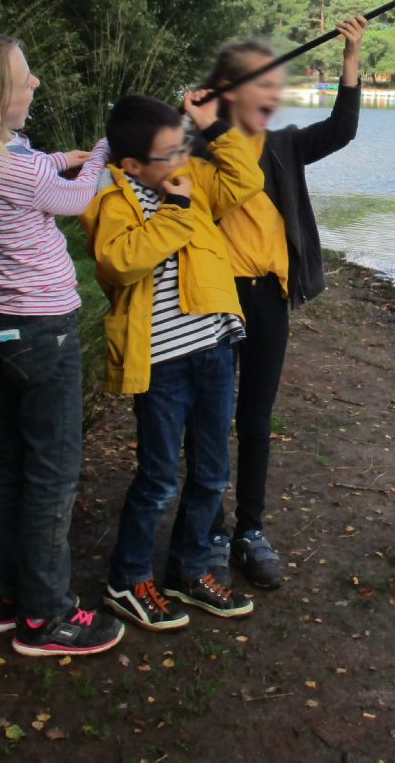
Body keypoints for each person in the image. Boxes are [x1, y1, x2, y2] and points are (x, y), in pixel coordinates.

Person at [0, 33, 124, 657]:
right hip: (45, 330)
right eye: (24, 80)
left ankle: (4, 598)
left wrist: (60, 157)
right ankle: (46, 618)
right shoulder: (17, 168)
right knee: (53, 473)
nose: (34, 85)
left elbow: (31, 167)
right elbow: (78, 197)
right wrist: (102, 152)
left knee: (17, 458)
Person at [81, 93, 263, 631]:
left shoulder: (193, 182)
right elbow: (118, 261)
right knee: (158, 477)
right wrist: (178, 213)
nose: (183, 161)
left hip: (213, 347)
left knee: (211, 473)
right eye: (170, 154)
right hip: (162, 362)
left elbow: (245, 180)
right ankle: (128, 578)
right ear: (133, 165)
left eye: (185, 148)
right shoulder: (114, 200)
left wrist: (211, 125)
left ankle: (188, 568)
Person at [199, 15, 366, 588]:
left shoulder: (285, 146)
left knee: (256, 417)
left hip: (268, 299)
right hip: (214, 299)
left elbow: (342, 130)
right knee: (212, 418)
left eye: (274, 87)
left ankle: (249, 529)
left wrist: (351, 56)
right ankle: (211, 531)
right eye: (260, 85)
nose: (271, 96)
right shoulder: (201, 145)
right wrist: (197, 115)